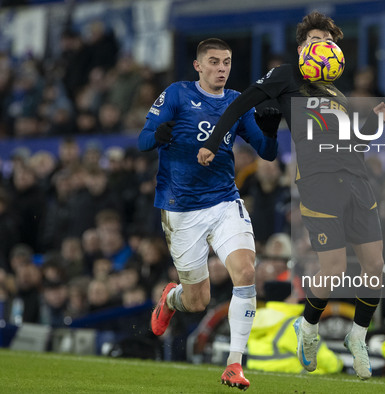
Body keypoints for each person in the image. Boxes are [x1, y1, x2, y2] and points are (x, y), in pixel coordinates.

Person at [197, 12, 385, 380]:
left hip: (356, 179)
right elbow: (240, 105)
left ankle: (358, 337)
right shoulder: (286, 75)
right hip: (318, 182)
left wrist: (374, 123)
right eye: (312, 40)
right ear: (302, 46)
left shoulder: (337, 92)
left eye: (326, 41)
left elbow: (354, 141)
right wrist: (214, 141)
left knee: (373, 267)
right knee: (334, 270)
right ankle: (307, 327)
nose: (318, 46)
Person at [138, 38, 281, 390]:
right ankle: (171, 298)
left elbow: (267, 152)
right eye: (214, 62)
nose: (221, 68)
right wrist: (158, 134)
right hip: (181, 209)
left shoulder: (236, 102)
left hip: (223, 201)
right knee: (197, 300)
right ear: (198, 66)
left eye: (227, 62)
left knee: (246, 270)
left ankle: (235, 364)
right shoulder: (176, 94)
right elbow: (142, 140)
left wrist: (271, 127)